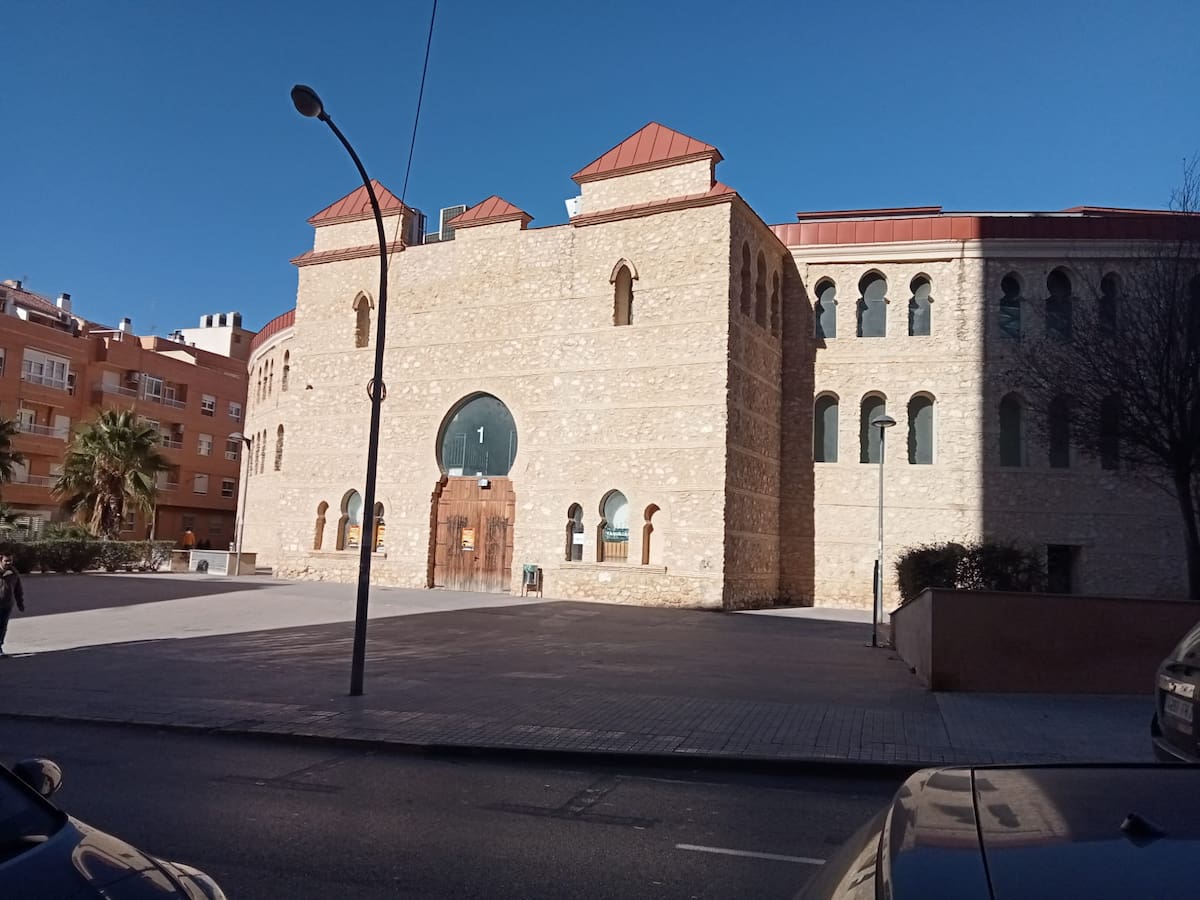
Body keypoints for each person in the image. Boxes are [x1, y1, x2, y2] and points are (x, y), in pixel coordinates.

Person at [0, 554, 25, 658]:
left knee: (2, 627)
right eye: (6, 561)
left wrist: (20, 603)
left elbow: (18, 590)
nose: (9, 563)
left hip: (7, 605)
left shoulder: (14, 573)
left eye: (10, 561)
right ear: (0, 560)